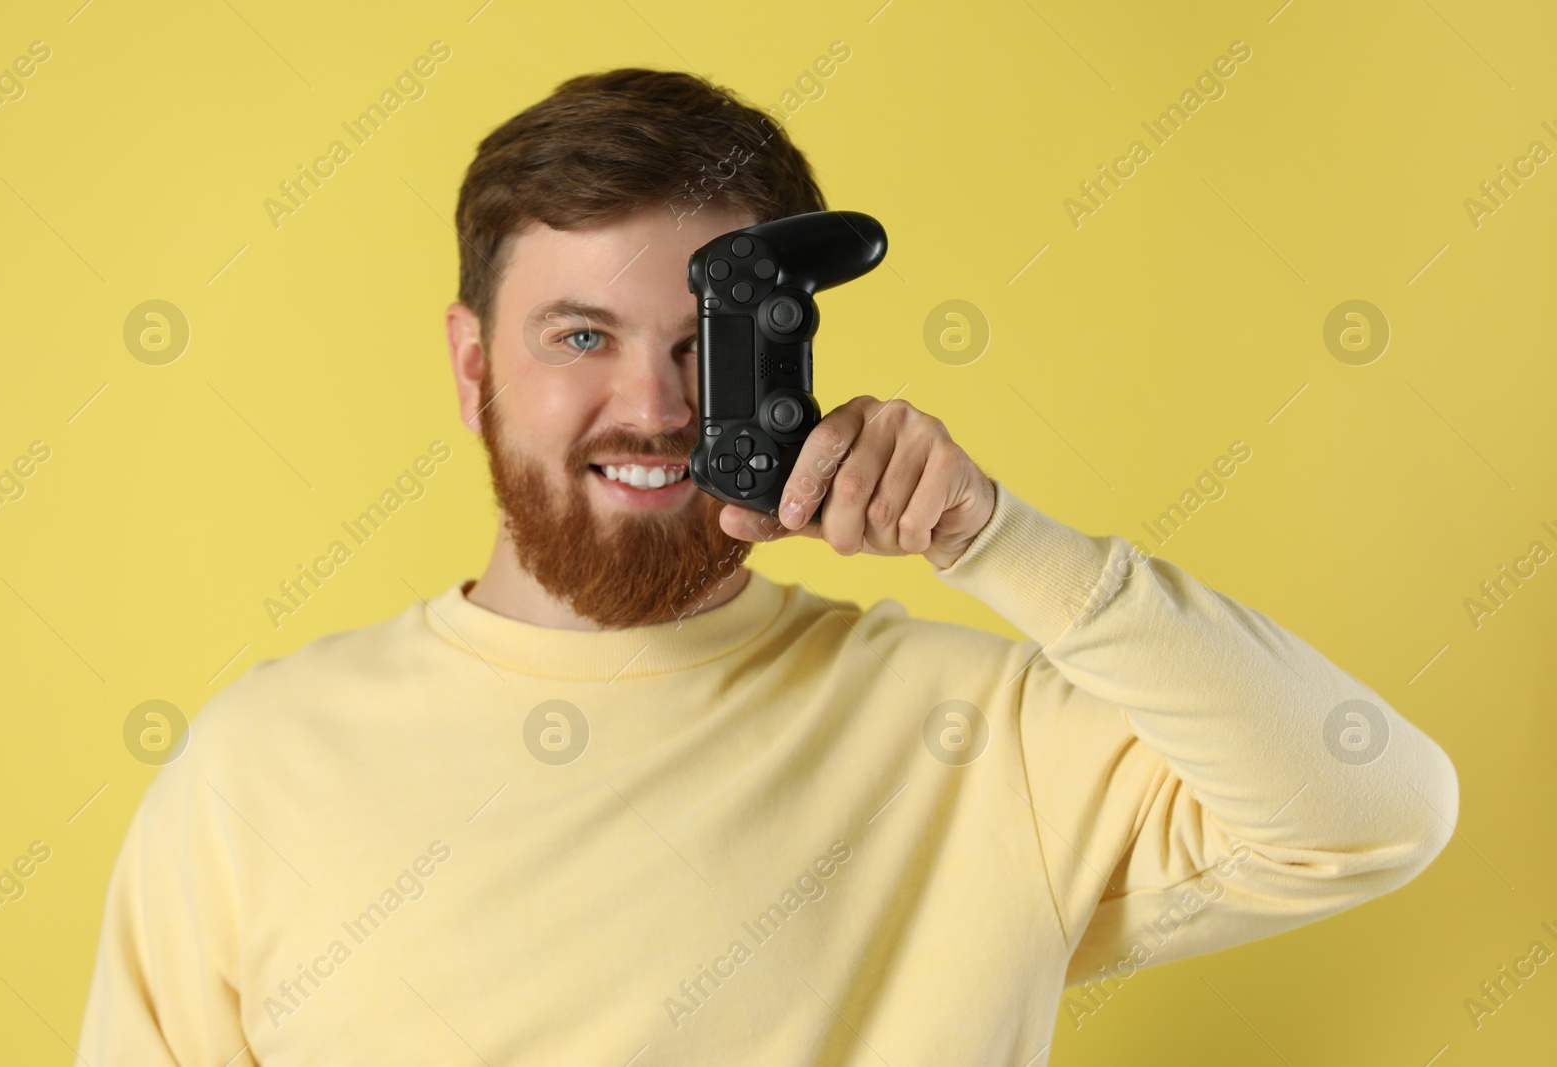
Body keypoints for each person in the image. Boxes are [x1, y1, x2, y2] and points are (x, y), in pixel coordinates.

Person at [79, 68, 1458, 1065]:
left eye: (704, 343)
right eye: (579, 338)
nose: (655, 404)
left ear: (790, 355)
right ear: (470, 365)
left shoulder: (980, 742)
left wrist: (997, 542)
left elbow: (1375, 805)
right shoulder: (255, 771)